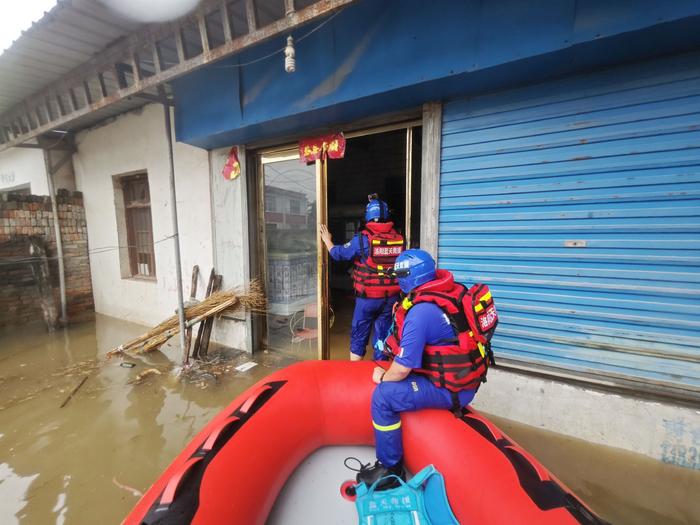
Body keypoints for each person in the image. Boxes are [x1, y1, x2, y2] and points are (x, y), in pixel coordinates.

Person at [355, 249, 496, 487]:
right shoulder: (450, 290)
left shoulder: (420, 313)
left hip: (452, 390)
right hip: (465, 378)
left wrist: (382, 377)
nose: (397, 280)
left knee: (383, 397)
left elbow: (401, 369)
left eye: (400, 275)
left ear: (410, 277)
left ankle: (390, 471)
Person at [319, 194, 404, 361]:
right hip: (390, 299)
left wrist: (327, 240)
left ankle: (355, 371)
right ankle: (380, 371)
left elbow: (338, 254)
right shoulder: (399, 238)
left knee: (359, 333)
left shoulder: (362, 239)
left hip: (367, 299)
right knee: (383, 335)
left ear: (367, 216)